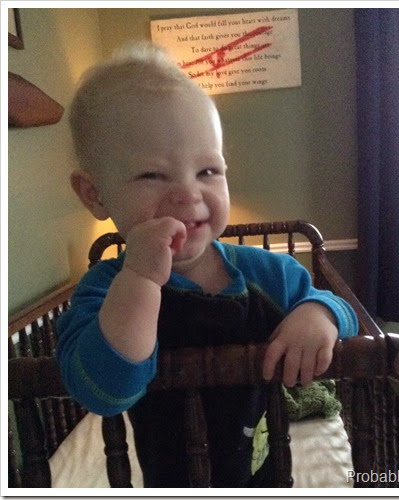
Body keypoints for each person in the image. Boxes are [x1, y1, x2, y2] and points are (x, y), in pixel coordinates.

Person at [56, 42, 358, 488]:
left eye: (208, 171)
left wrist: (320, 314)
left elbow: (342, 309)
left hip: (269, 477)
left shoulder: (267, 274)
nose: (188, 194)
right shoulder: (103, 291)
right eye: (152, 175)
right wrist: (140, 279)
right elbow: (107, 391)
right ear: (94, 194)